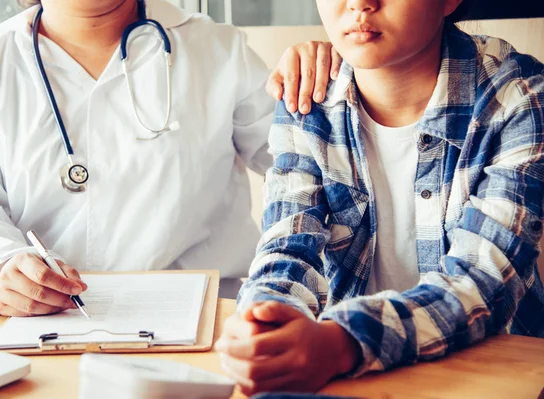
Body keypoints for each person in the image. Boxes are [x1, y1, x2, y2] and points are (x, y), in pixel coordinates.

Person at [216, 0, 544, 395]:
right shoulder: (306, 95)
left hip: (487, 373)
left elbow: (483, 282)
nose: (359, 4)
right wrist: (267, 322)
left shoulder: (519, 96)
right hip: (349, 377)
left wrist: (343, 342)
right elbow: (286, 247)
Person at [0, 0, 338, 319]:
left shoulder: (216, 48)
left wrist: (334, 84)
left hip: (209, 314)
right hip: (49, 323)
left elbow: (309, 167)